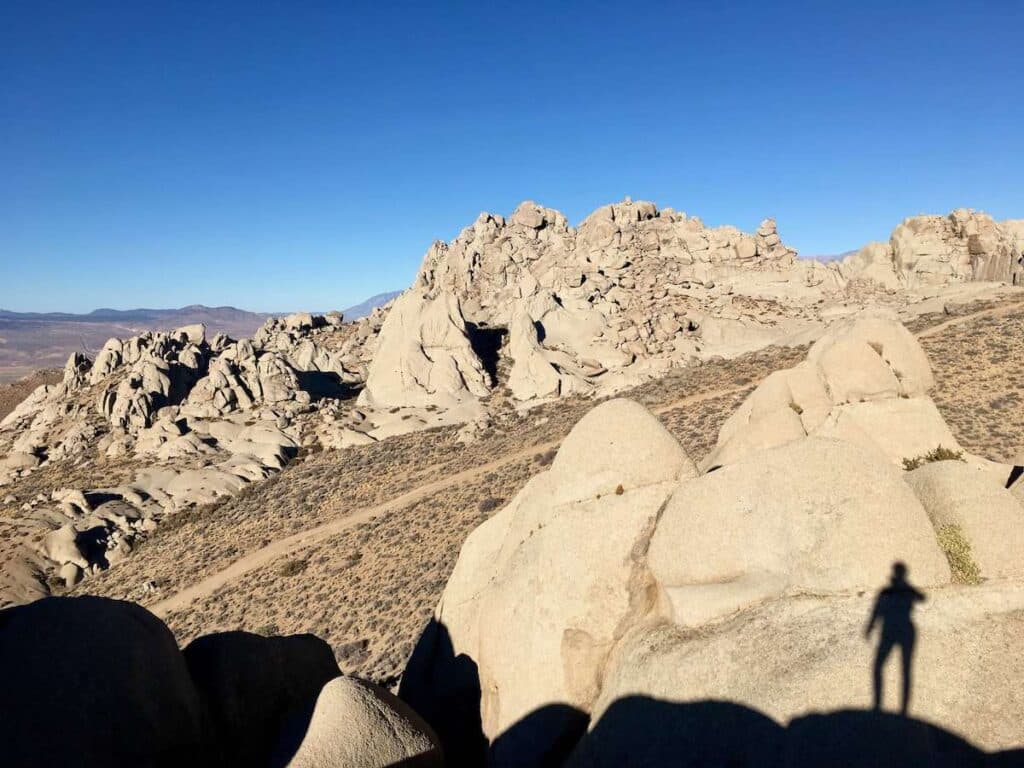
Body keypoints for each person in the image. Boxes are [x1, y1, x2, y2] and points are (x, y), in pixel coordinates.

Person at [864, 561, 926, 716]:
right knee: (900, 668)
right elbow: (921, 597)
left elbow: (921, 597)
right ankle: (890, 708)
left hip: (895, 630)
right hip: (900, 630)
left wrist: (870, 628)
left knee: (898, 668)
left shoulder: (889, 591)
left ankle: (888, 708)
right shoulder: (889, 591)